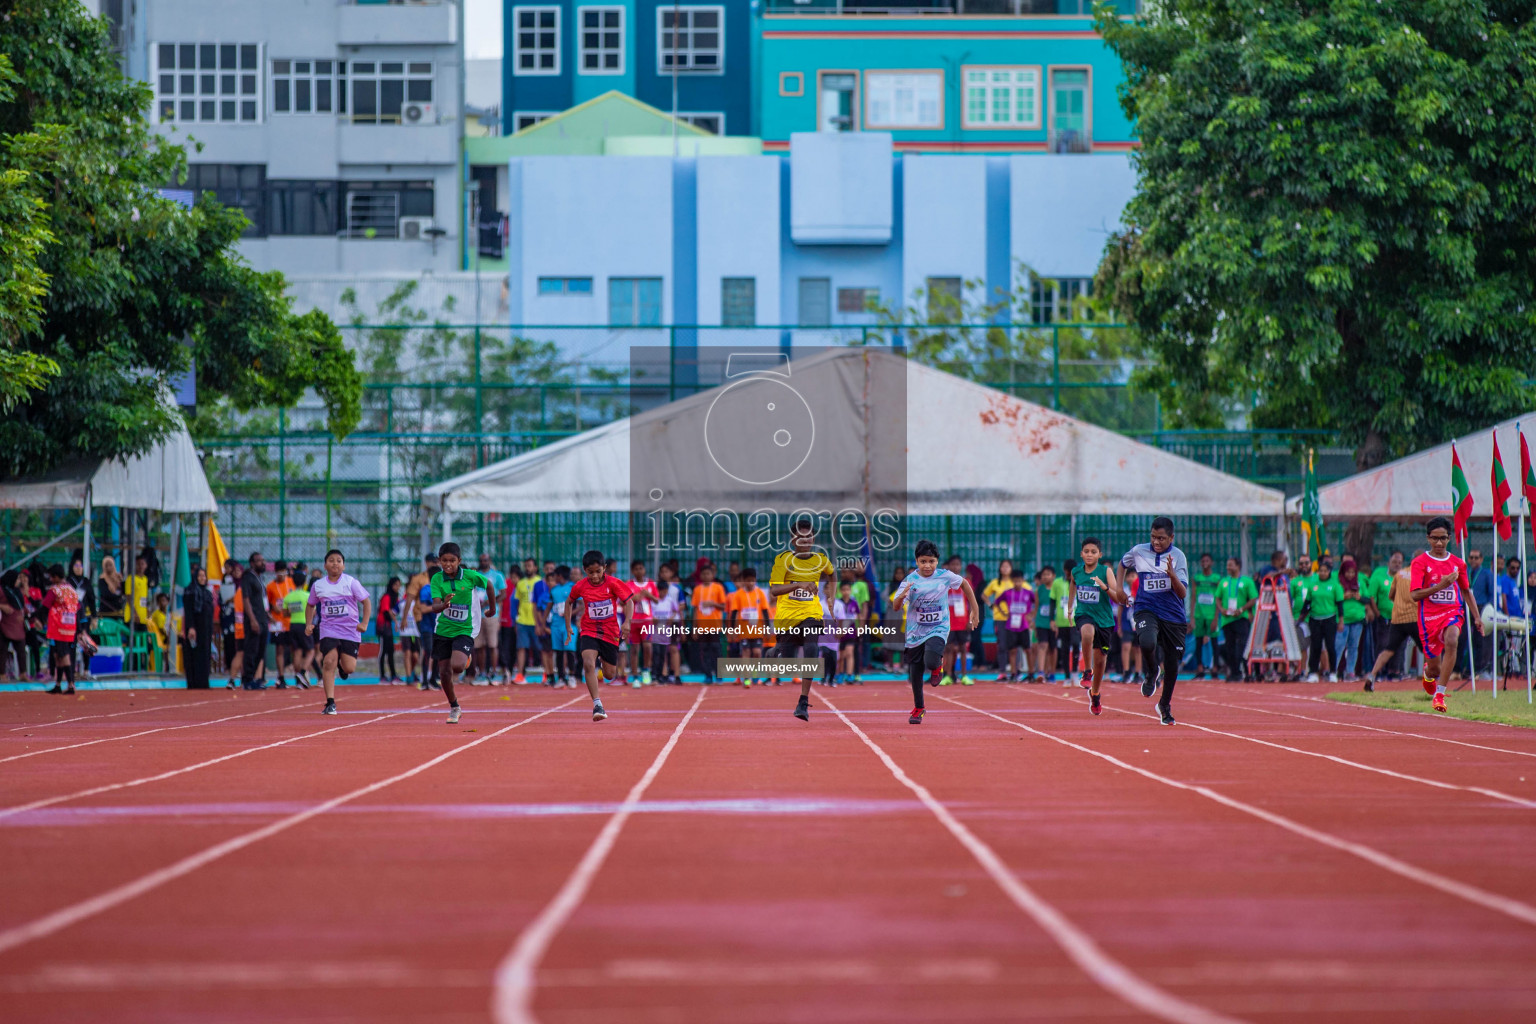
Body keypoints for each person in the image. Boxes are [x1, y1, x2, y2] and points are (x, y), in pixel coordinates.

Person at [890, 539, 980, 724]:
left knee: (930, 660)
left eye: (931, 561)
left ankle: (937, 666)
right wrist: (902, 596)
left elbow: (965, 584)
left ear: (937, 561)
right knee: (915, 671)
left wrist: (975, 609)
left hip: (938, 627)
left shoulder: (945, 576)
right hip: (915, 631)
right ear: (917, 561)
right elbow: (896, 606)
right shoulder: (910, 581)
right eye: (923, 561)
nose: (927, 565)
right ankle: (919, 708)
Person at [1119, 516, 1189, 726]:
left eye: (1161, 538)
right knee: (1147, 642)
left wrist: (1171, 575)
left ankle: (1164, 705)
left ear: (1171, 538)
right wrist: (1118, 589)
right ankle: (1151, 672)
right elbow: (1123, 564)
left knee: (1172, 663)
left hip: (1173, 615)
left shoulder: (1178, 557)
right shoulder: (1139, 551)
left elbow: (1183, 593)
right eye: (1153, 537)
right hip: (1145, 608)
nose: (1156, 542)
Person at [1409, 517, 1484, 712]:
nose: (1439, 543)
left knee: (1452, 640)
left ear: (1450, 538)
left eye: (1443, 538)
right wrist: (1441, 585)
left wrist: (1477, 617)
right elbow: (1415, 595)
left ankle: (1440, 694)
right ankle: (1428, 674)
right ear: (1428, 538)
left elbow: (1466, 591)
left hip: (1452, 612)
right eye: (1435, 539)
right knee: (1434, 669)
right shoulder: (1420, 563)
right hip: (1428, 619)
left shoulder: (1458, 564)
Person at [420, 543, 496, 723]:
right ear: (439, 561)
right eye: (444, 561)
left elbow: (490, 586)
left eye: (452, 561)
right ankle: (454, 706)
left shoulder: (470, 576)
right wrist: (444, 604)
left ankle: (466, 657)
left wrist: (492, 609)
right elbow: (435, 606)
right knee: (444, 673)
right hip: (443, 630)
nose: (448, 564)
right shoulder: (437, 579)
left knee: (458, 666)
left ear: (459, 561)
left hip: (464, 629)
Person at [769, 518, 836, 720]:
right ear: (793, 540)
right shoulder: (783, 559)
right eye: (801, 537)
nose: (805, 540)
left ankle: (803, 701)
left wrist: (831, 596)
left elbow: (832, 575)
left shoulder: (821, 559)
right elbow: (774, 590)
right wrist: (798, 584)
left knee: (811, 648)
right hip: (787, 618)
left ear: (813, 538)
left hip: (811, 614)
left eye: (809, 536)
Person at [565, 549, 634, 721]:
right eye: (590, 572)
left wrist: (627, 622)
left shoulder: (613, 583)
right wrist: (568, 626)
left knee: (610, 675)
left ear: (604, 568)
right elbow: (569, 602)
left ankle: (604, 660)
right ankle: (597, 704)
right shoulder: (580, 586)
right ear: (584, 571)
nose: (594, 576)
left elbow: (629, 601)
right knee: (588, 663)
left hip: (610, 632)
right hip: (589, 630)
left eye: (598, 571)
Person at [306, 549, 372, 717]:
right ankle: (330, 703)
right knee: (328, 661)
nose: (335, 563)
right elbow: (310, 605)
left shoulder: (351, 583)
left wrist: (364, 623)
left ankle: (342, 668)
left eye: (338, 560)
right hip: (328, 629)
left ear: (343, 565)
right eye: (331, 560)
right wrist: (308, 624)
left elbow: (366, 602)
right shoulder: (318, 585)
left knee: (349, 668)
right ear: (325, 565)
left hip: (350, 630)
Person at [1073, 538, 1123, 716]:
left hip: (1104, 620)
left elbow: (1118, 597)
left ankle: (1095, 693)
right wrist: (1070, 607)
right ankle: (1087, 671)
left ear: (1099, 555)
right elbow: (1073, 584)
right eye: (1086, 551)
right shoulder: (1076, 571)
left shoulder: (1106, 571)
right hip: (1084, 615)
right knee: (1087, 633)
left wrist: (1104, 587)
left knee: (1101, 660)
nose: (1089, 554)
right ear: (1081, 553)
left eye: (1093, 552)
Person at [1363, 551, 1422, 692]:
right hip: (1413, 618)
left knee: (1389, 649)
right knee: (1429, 649)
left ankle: (1372, 675)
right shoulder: (1422, 576)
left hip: (1398, 618)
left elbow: (1391, 595)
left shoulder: (1400, 575)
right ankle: (1433, 680)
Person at [41, 564, 86, 694]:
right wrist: (80, 627)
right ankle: (58, 684)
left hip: (58, 626)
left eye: (51, 577)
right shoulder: (71, 590)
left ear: (55, 577)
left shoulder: (55, 590)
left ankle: (70, 684)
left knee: (63, 655)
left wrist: (37, 618)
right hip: (70, 626)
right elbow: (78, 608)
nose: (50, 579)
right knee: (58, 655)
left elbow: (45, 606)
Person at [726, 566, 772, 685]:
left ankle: (755, 674)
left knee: (757, 652)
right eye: (748, 580)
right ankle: (746, 678)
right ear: (743, 580)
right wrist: (732, 630)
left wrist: (767, 628)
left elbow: (765, 611)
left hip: (757, 628)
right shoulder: (738, 594)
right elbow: (734, 612)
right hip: (744, 629)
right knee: (745, 652)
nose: (750, 583)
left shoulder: (760, 593)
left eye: (752, 580)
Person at [1216, 558, 1259, 681]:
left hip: (1241, 618)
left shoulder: (1247, 581)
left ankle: (1246, 671)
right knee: (1229, 647)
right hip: (1227, 619)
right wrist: (1222, 609)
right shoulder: (1224, 582)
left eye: (1230, 565)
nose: (1228, 568)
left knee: (1242, 646)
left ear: (1238, 566)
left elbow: (1253, 598)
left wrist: (1242, 609)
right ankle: (1234, 673)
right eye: (1227, 565)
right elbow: (1217, 598)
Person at [1303, 561, 1344, 683]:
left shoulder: (1335, 585)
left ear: (1329, 572)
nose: (1323, 573)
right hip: (1315, 619)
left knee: (1330, 646)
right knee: (1315, 646)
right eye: (1320, 570)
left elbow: (1340, 605)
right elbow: (1307, 603)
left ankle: (1332, 672)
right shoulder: (1313, 585)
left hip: (1329, 619)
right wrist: (1301, 617)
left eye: (1325, 571)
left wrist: (1341, 621)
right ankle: (1313, 672)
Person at [689, 562, 727, 685]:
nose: (706, 576)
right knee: (704, 651)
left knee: (716, 650)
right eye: (704, 574)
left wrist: (713, 604)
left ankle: (719, 674)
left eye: (708, 573)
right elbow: (695, 609)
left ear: (713, 575)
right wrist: (694, 628)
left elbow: (723, 606)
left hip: (715, 626)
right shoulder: (697, 589)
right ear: (700, 575)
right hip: (702, 626)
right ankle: (708, 674)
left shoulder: (718, 588)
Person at [940, 555, 974, 686]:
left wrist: (971, 619)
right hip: (948, 622)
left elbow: (971, 601)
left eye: (957, 564)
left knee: (963, 649)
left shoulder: (966, 582)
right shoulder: (944, 582)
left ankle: (965, 675)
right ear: (948, 567)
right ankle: (947, 675)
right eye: (952, 564)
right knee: (947, 649)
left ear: (961, 567)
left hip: (962, 621)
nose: (955, 567)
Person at [994, 569, 1034, 682]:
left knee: (1028, 650)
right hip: (1011, 626)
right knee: (1012, 650)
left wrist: (1031, 615)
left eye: (1019, 581)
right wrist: (1003, 613)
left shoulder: (1028, 593)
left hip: (1024, 626)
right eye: (1015, 581)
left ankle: (1031, 673)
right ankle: (1013, 673)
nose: (1017, 583)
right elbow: (997, 602)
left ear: (1023, 580)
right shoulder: (1008, 593)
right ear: (1012, 581)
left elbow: (1037, 602)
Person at [180, 565, 216, 690]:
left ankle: (203, 682)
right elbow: (189, 611)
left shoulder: (207, 593)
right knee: (193, 655)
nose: (202, 578)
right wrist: (191, 627)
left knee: (205, 655)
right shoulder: (190, 591)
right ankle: (194, 683)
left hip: (206, 629)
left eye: (204, 576)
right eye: (200, 575)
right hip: (195, 628)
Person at [1187, 553, 1222, 679]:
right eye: (1203, 561)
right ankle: (1200, 668)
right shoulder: (1197, 578)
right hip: (1199, 614)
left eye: (1207, 560)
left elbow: (1219, 598)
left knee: (1214, 642)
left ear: (1211, 562)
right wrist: (1192, 616)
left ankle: (1215, 668)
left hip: (1212, 614)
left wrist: (1216, 617)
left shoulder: (1217, 578)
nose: (1205, 563)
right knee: (1198, 641)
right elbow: (1193, 597)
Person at [238, 552, 270, 690]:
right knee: (251, 649)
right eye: (259, 561)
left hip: (263, 619)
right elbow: (245, 600)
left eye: (263, 560)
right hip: (254, 619)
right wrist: (252, 619)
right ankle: (247, 679)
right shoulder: (247, 578)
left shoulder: (260, 578)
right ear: (252, 563)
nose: (262, 563)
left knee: (260, 650)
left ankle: (254, 679)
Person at [1334, 558, 1369, 681]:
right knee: (1339, 646)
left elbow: (1368, 598)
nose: (1350, 575)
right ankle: (1334, 671)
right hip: (1343, 619)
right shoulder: (1337, 582)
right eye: (1347, 572)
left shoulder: (1360, 581)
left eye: (1352, 572)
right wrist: (1343, 596)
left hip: (1357, 619)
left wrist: (1359, 597)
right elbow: (1332, 598)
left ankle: (1350, 672)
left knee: (1353, 647)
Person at [477, 554, 508, 684]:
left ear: (489, 561)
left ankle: (494, 672)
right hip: (477, 615)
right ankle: (482, 673)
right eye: (481, 560)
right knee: (479, 645)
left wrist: (490, 602)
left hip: (492, 615)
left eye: (486, 560)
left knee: (492, 645)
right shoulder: (475, 575)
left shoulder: (497, 575)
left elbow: (503, 595)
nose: (483, 562)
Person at [627, 561, 660, 686]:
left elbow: (656, 600)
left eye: (641, 568)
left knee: (647, 647)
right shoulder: (629, 584)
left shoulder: (650, 583)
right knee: (635, 649)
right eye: (636, 569)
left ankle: (646, 670)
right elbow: (622, 601)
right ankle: (635, 676)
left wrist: (648, 595)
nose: (639, 571)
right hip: (634, 620)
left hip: (647, 621)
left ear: (644, 570)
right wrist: (632, 599)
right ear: (632, 571)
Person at [651, 563, 684, 684]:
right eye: (662, 572)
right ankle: (663, 673)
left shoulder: (676, 588)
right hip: (658, 623)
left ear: (672, 573)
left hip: (673, 622)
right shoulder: (655, 588)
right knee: (662, 649)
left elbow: (682, 605)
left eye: (667, 571)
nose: (665, 574)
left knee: (674, 648)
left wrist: (675, 617)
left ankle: (676, 675)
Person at [982, 559, 1015, 676]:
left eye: (1008, 566)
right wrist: (991, 605)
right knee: (1002, 645)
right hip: (1000, 618)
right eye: (1003, 566)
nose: (1005, 568)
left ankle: (1015, 671)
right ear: (1000, 569)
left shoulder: (1015, 582)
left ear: (1011, 568)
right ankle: (1002, 671)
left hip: (1014, 618)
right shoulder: (995, 583)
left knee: (1014, 645)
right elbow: (984, 595)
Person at [281, 571, 313, 687]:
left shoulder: (288, 597)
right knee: (311, 651)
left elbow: (285, 614)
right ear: (304, 582)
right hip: (304, 624)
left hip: (293, 625)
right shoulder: (307, 595)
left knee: (297, 651)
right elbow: (312, 612)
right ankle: (303, 672)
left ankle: (298, 679)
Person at [1468, 547, 1495, 681]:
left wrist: (1488, 610)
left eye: (1476, 557)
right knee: (1462, 639)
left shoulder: (1486, 574)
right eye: (1471, 557)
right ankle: (1462, 670)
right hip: (1466, 607)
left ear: (1481, 559)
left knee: (1482, 640)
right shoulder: (1466, 572)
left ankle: (1482, 669)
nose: (1473, 560)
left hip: (1481, 608)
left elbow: (1491, 594)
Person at [265, 564, 295, 687]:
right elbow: (265, 603)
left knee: (295, 649)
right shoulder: (270, 586)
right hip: (278, 623)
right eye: (279, 572)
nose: (281, 575)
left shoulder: (291, 583)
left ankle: (299, 676)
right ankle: (281, 677)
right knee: (280, 649)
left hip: (292, 621)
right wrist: (272, 609)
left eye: (283, 572)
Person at [547, 566, 576, 687]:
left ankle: (572, 676)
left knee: (570, 651)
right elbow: (549, 606)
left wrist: (569, 614)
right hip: (556, 625)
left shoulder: (573, 588)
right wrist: (542, 622)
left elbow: (582, 605)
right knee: (558, 652)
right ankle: (561, 677)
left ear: (560, 576)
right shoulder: (554, 590)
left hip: (570, 625)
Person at [1, 570, 31, 681]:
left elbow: (21, 605)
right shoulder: (2, 590)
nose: (19, 581)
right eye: (17, 579)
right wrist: (2, 606)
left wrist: (26, 613)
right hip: (5, 623)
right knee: (2, 650)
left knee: (21, 649)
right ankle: (2, 674)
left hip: (18, 624)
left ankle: (23, 673)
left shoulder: (17, 591)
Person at [1031, 566, 1057, 683]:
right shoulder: (1039, 590)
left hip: (1055, 622)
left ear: (1054, 576)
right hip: (1041, 622)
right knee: (1042, 646)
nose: (1045, 577)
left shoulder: (1057, 589)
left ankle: (1052, 672)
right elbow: (1036, 607)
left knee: (1053, 649)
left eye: (1048, 574)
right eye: (1043, 575)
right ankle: (1041, 672)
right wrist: (1034, 622)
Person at [1052, 560, 1077, 682]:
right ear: (1065, 571)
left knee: (1076, 645)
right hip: (1062, 622)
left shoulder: (1080, 582)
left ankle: (1075, 673)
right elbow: (1052, 601)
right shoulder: (1057, 583)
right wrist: (1052, 619)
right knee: (1065, 648)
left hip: (1076, 621)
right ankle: (1067, 676)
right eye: (1068, 572)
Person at [833, 579, 861, 685]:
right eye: (843, 589)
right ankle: (839, 674)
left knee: (849, 653)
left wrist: (859, 629)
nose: (846, 592)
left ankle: (849, 675)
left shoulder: (854, 603)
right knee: (841, 656)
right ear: (840, 591)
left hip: (851, 631)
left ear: (850, 590)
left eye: (848, 589)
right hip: (840, 633)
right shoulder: (838, 604)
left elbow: (858, 616)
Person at [397, 573, 421, 686]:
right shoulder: (402, 603)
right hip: (405, 631)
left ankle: (412, 671)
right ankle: (408, 676)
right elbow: (392, 612)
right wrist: (398, 622)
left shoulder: (419, 602)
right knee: (407, 653)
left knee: (416, 655)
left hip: (416, 631)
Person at [377, 577, 402, 683]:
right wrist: (396, 621)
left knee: (391, 650)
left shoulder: (395, 597)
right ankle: (382, 675)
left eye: (399, 585)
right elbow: (386, 611)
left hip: (388, 626)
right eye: (396, 585)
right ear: (392, 586)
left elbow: (395, 609)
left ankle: (393, 675)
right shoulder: (386, 597)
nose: (398, 587)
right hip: (382, 626)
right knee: (383, 651)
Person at [96, 556, 127, 624]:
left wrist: (121, 582)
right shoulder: (102, 579)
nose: (108, 568)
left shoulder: (118, 578)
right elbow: (106, 594)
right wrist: (118, 596)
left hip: (117, 610)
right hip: (107, 611)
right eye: (106, 566)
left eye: (110, 565)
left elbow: (124, 591)